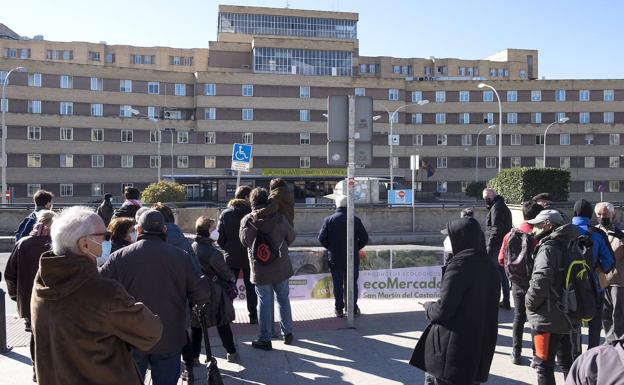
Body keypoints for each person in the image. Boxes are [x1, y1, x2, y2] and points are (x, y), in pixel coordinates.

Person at [31, 206, 163, 385]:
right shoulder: (103, 291)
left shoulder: (42, 280)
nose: (108, 241)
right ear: (84, 244)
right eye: (105, 237)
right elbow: (151, 332)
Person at [100, 209, 212, 385]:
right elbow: (201, 294)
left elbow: (100, 290)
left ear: (138, 230)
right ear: (164, 231)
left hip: (131, 335)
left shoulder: (118, 257)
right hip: (169, 334)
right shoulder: (180, 257)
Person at [410, 216, 500, 385]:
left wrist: (428, 307)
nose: (446, 241)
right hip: (478, 349)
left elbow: (443, 310)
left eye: (449, 237)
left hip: (452, 352)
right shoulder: (489, 265)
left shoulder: (459, 266)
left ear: (460, 238)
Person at [240, 187, 296, 351]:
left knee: (263, 302)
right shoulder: (280, 218)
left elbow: (244, 242)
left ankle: (265, 338)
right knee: (283, 299)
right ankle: (287, 333)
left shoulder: (247, 220)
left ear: (252, 202)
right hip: (281, 266)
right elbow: (291, 237)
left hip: (260, 268)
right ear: (267, 201)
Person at [525, 209, 577, 385]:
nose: (534, 229)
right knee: (567, 364)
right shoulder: (570, 243)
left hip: (546, 318)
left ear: (547, 225)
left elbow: (540, 280)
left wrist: (529, 302)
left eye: (537, 225)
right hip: (566, 314)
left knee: (543, 366)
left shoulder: (548, 249)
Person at [4, 209, 56, 379]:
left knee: (36, 335)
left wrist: (16, 296)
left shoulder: (23, 243)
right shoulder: (58, 244)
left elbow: (10, 274)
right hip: (56, 297)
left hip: (29, 299)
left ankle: (37, 370)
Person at [498, 200, 542, 365]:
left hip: (516, 283)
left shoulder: (510, 235)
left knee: (518, 317)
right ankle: (537, 355)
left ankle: (516, 352)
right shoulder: (538, 236)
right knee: (535, 320)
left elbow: (501, 260)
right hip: (534, 283)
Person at [570, 199, 614, 354]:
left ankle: (575, 357)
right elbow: (609, 261)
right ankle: (592, 356)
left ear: (574, 213)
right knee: (595, 325)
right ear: (591, 214)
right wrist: (598, 271)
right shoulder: (598, 234)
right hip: (594, 286)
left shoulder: (564, 230)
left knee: (573, 323)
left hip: (570, 287)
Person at [318, 195, 369, 318]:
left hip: (335, 258)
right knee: (352, 284)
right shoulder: (355, 220)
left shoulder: (329, 220)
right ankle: (352, 308)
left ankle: (339, 309)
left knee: (338, 284)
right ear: (349, 206)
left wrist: (332, 248)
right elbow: (365, 239)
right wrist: (355, 248)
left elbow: (321, 239)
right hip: (352, 259)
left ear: (337, 205)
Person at [217, 185, 257, 324]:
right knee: (251, 287)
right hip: (249, 256)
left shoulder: (226, 213)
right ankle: (253, 316)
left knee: (229, 287)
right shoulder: (253, 213)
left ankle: (228, 316)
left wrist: (227, 248)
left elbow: (220, 238)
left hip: (231, 256)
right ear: (246, 197)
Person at [594, 202, 624, 343]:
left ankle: (619, 340)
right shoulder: (593, 232)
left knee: (618, 312)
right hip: (600, 279)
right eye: (599, 214)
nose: (602, 217)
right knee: (605, 312)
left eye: (605, 214)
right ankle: (609, 339)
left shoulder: (620, 234)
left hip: (617, 279)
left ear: (613, 215)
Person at [483, 188, 513, 309]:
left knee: (494, 275)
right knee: (502, 274)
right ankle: (505, 300)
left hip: (496, 246)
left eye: (487, 198)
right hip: (501, 245)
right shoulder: (499, 206)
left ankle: (494, 300)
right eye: (484, 198)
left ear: (493, 196)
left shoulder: (497, 207)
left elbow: (496, 228)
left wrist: (489, 246)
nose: (486, 200)